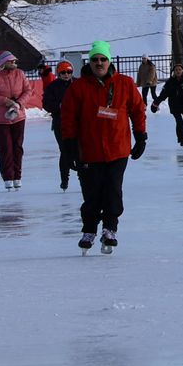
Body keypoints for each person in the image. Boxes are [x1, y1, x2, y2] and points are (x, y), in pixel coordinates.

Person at [58, 40, 148, 253]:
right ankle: (89, 229)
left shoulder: (124, 83)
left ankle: (110, 228)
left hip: (118, 149)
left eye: (103, 59)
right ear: (89, 62)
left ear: (109, 61)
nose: (99, 63)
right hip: (89, 150)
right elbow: (68, 117)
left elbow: (137, 110)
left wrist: (140, 136)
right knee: (92, 193)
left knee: (113, 191)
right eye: (95, 60)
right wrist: (69, 145)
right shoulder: (78, 87)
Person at [0, 49, 30, 190]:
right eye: (11, 61)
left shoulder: (20, 74)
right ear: (3, 62)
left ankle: (17, 176)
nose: (14, 63)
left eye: (15, 61)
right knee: (5, 148)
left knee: (17, 147)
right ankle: (8, 177)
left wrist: (19, 104)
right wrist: (5, 101)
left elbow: (28, 91)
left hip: (18, 116)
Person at [40, 59, 78, 189]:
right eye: (63, 72)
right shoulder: (53, 87)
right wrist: (59, 106)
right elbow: (46, 104)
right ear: (58, 73)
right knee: (65, 150)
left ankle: (82, 177)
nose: (66, 75)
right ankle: (64, 179)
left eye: (69, 72)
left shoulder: (78, 84)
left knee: (79, 150)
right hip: (60, 124)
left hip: (78, 123)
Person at [151, 59, 183, 146]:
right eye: (176, 70)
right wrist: (155, 104)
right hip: (175, 106)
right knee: (179, 122)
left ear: (182, 71)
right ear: (173, 72)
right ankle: (182, 140)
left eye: (179, 70)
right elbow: (163, 94)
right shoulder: (170, 82)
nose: (178, 71)